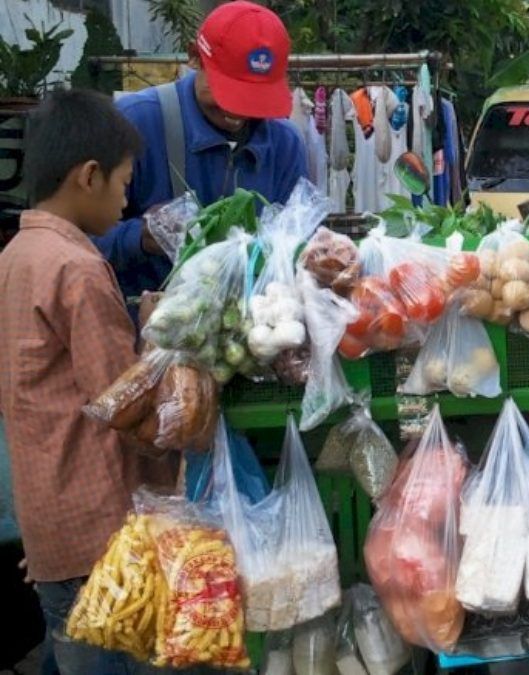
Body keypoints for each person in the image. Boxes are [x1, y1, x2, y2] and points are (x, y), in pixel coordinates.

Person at [0, 90, 180, 674]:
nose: (128, 202)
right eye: (126, 184)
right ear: (89, 175)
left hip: (53, 523)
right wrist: (156, 336)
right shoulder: (78, 270)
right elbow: (124, 406)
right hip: (106, 538)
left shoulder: (17, 256)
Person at [95, 0, 307, 312]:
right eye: (229, 92)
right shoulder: (136, 123)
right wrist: (139, 236)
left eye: (253, 98)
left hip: (252, 336)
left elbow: (300, 248)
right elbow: (73, 243)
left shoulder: (285, 144)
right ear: (195, 56)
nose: (237, 111)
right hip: (149, 337)